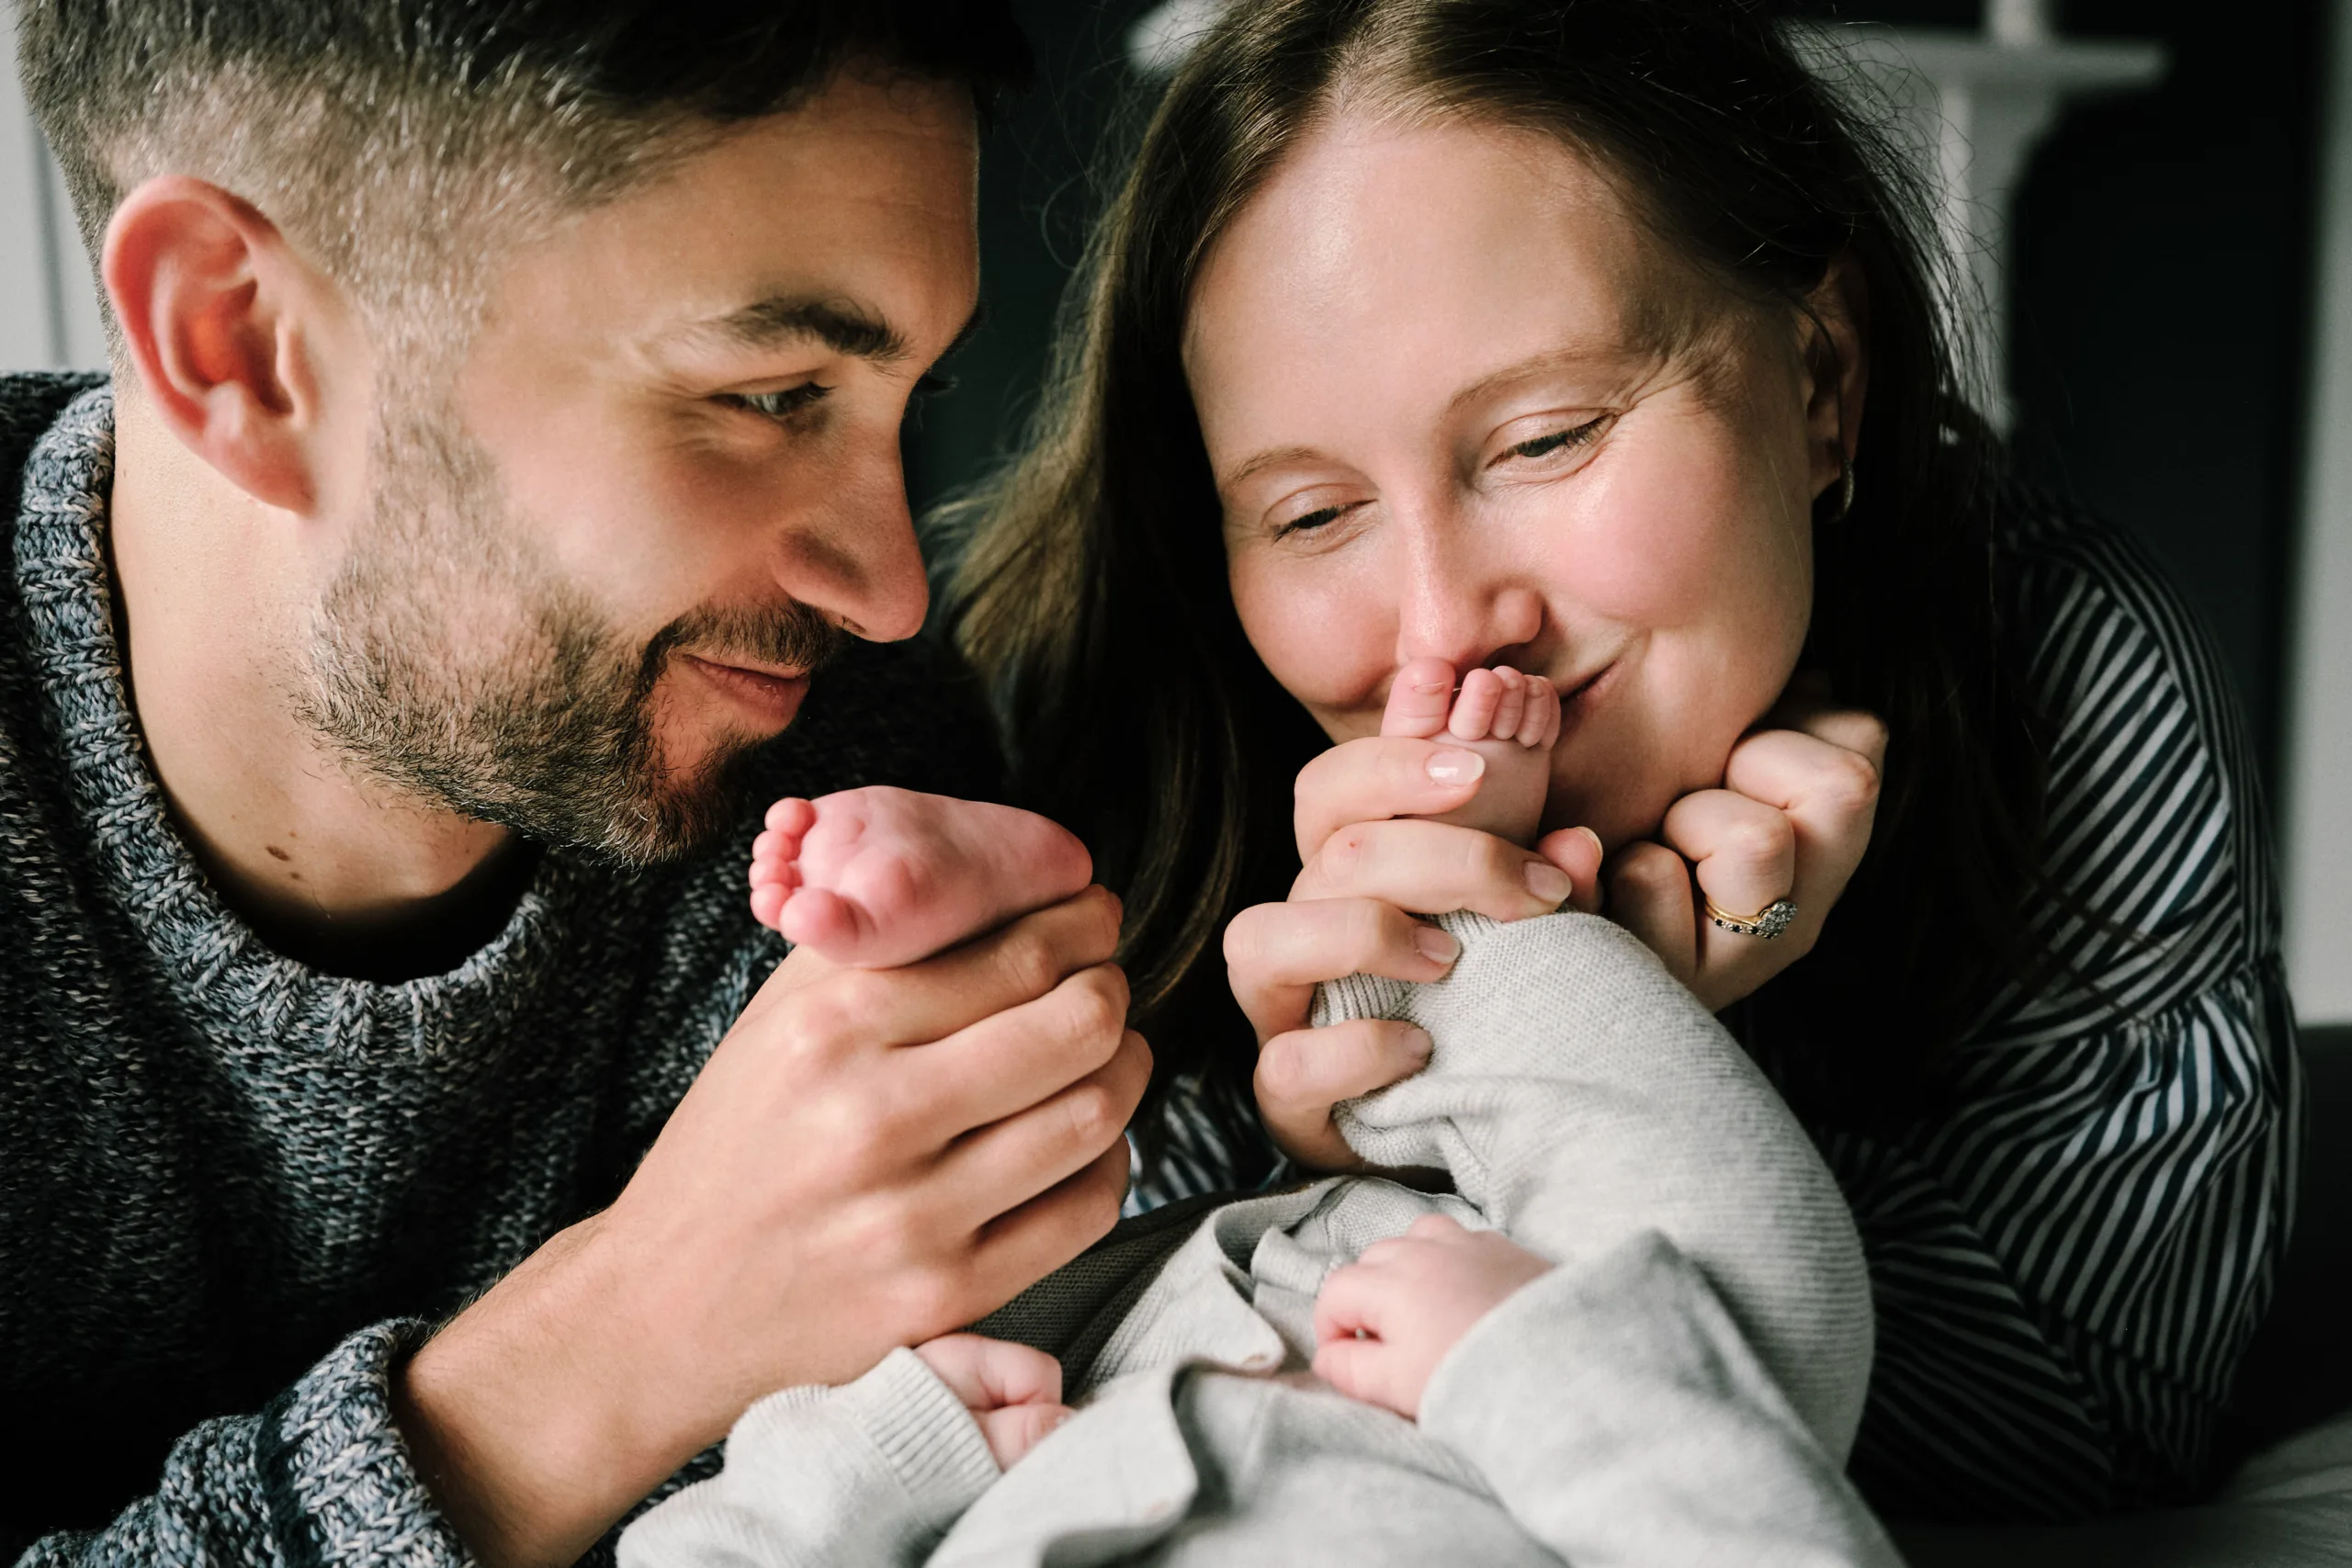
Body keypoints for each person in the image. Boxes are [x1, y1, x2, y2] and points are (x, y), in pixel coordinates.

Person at [946, 0, 2301, 1524]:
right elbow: (1068, 1412)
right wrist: (1399, 1126)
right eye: (1314, 515)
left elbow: (2107, 1420)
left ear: (1820, 379)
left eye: (1546, 437)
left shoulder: (2064, 653)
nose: (1449, 625)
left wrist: (1607, 1057)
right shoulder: (1144, 712)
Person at [2, 6, 1155, 1567]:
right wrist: (610, 1352)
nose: (892, 588)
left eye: (911, 402)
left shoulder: (831, 740)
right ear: (243, 347)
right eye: (769, 395)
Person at [613, 696, 1899, 1568]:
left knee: (902, 1270)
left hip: (1078, 1390)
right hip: (1570, 1402)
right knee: (1765, 1298)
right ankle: (1467, 883)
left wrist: (896, 1449)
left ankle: (996, 935)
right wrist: (1524, 1354)